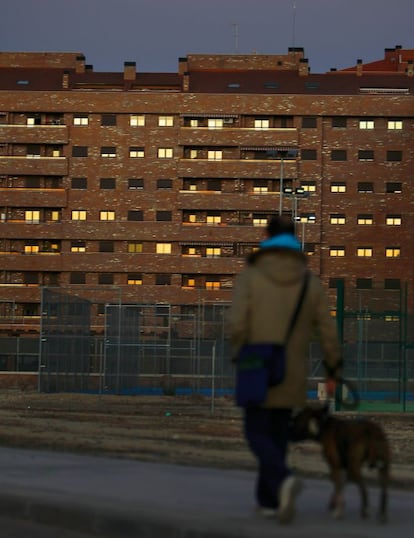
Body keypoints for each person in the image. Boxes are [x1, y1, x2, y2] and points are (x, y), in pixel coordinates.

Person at [229, 215, 341, 524]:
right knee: (277, 433)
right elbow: (328, 331)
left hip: (256, 366)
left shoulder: (251, 276)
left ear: (267, 236)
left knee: (255, 431)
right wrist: (333, 369)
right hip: (291, 372)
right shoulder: (310, 282)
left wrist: (239, 352)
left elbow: (237, 323)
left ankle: (282, 478)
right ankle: (268, 501)